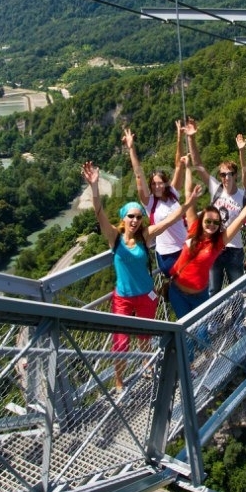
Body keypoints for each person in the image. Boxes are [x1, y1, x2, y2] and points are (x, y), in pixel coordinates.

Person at [81, 160, 199, 391]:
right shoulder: (114, 237)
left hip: (146, 294)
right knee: (121, 343)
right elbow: (98, 212)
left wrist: (189, 204)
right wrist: (94, 187)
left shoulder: (145, 235)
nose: (135, 221)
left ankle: (146, 363)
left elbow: (170, 220)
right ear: (123, 218)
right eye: (130, 217)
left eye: (138, 217)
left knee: (145, 336)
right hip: (123, 298)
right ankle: (118, 380)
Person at [167, 161, 246, 321]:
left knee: (235, 289)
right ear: (201, 221)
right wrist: (187, 169)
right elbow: (188, 195)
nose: (212, 225)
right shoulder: (193, 229)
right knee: (212, 294)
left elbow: (242, 219)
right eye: (208, 221)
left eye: (215, 223)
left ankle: (235, 322)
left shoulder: (217, 243)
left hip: (200, 290)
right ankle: (216, 322)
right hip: (177, 291)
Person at [188, 128, 246, 292]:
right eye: (223, 174)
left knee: (237, 289)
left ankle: (238, 317)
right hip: (213, 247)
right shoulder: (216, 189)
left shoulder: (243, 196)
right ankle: (217, 319)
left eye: (230, 174)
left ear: (235, 175)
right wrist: (192, 138)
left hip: (234, 249)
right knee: (213, 290)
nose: (226, 177)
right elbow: (198, 165)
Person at [126, 123, 187, 276]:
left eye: (160, 182)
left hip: (185, 247)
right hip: (168, 254)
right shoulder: (150, 202)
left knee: (189, 289)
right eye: (154, 183)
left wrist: (179, 138)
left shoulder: (173, 193)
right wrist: (131, 149)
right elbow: (139, 175)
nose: (157, 186)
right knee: (182, 286)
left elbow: (179, 165)